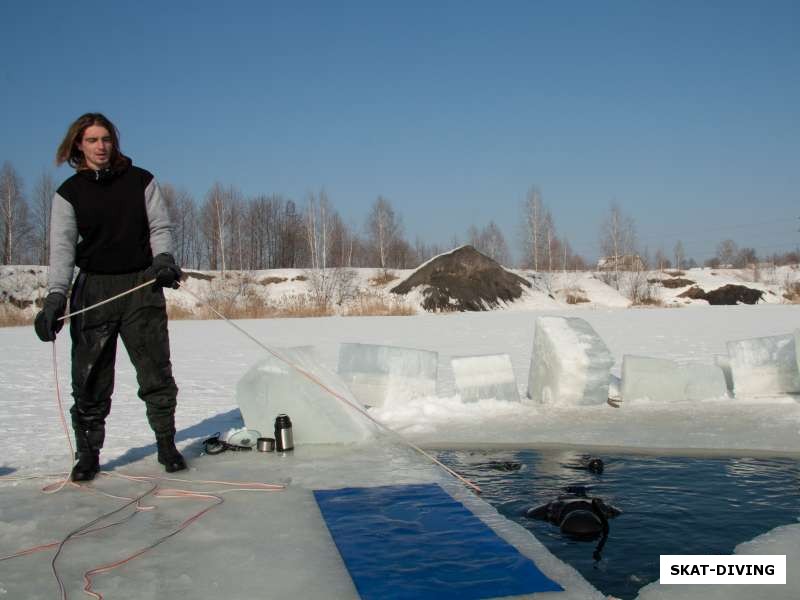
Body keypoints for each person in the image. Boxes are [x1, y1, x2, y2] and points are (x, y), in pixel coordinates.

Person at [34, 112, 186, 482]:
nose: (101, 146)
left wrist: (163, 259)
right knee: (89, 379)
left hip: (141, 287)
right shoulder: (68, 194)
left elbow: (159, 227)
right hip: (94, 291)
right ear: (78, 146)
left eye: (106, 139)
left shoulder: (141, 181)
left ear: (114, 142)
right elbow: (62, 251)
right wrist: (56, 299)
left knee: (156, 372)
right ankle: (88, 455)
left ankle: (166, 444)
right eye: (92, 140)